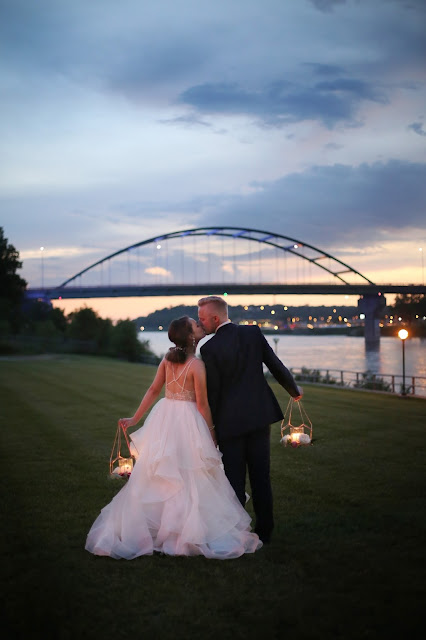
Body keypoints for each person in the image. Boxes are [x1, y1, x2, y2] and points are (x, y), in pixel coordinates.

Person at [85, 316, 262, 560]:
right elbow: (202, 405)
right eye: (196, 325)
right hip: (188, 420)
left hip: (165, 415)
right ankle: (183, 531)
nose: (200, 327)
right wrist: (211, 434)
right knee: (189, 474)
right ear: (190, 336)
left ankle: (165, 529)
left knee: (163, 472)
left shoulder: (167, 360)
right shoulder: (197, 365)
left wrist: (136, 418)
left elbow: (153, 390)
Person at [197, 296, 302, 544]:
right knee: (261, 477)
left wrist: (209, 429)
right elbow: (275, 365)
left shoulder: (209, 349)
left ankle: (237, 533)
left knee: (234, 481)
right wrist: (294, 390)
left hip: (229, 423)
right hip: (258, 417)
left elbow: (214, 393)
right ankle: (265, 532)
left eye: (202, 319)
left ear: (215, 318)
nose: (201, 324)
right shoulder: (253, 333)